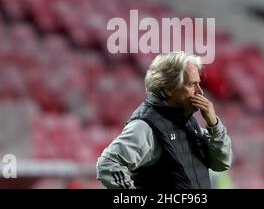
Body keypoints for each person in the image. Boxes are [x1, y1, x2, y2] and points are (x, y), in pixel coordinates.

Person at [96, 52, 233, 189]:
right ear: (167, 89)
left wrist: (213, 125)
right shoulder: (146, 126)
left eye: (199, 84)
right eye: (192, 84)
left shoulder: (188, 123)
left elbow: (221, 163)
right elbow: (108, 164)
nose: (200, 92)